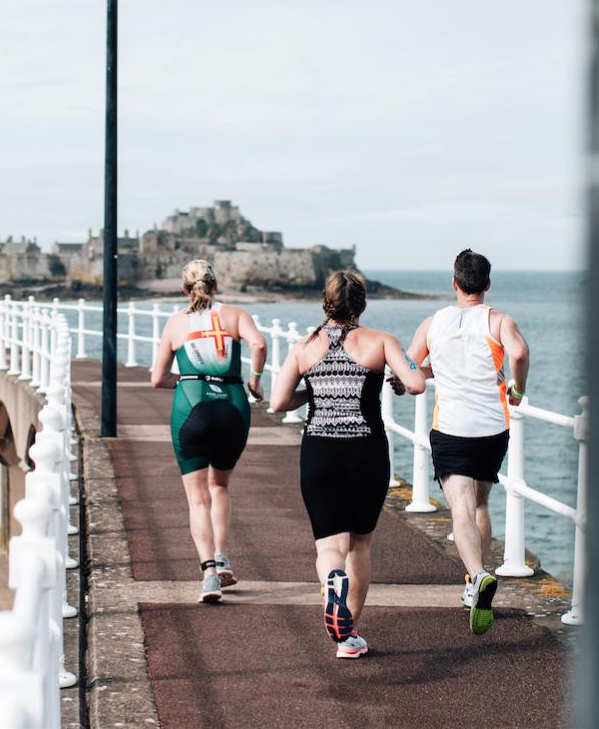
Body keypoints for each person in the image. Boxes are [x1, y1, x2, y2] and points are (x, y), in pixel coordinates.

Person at [271, 271, 425, 659]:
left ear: (326, 301)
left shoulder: (304, 347)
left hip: (319, 451)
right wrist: (402, 381)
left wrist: (314, 394)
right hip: (365, 452)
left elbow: (278, 402)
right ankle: (348, 636)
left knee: (328, 545)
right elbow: (417, 382)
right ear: (362, 303)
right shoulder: (380, 342)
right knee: (360, 542)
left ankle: (332, 583)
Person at [404, 249, 529, 635]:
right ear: (487, 284)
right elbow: (520, 352)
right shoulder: (499, 320)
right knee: (480, 502)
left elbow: (411, 366)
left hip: (452, 428)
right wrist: (517, 388)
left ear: (455, 283)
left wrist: (426, 371)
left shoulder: (433, 322)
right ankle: (475, 581)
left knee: (459, 503)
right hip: (492, 428)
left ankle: (476, 576)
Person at [149, 260, 267, 603]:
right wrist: (255, 381)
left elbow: (157, 379)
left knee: (197, 497)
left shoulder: (175, 323)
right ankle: (221, 553)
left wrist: (187, 381)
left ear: (185, 289)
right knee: (220, 486)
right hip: (232, 406)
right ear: (215, 286)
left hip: (192, 409)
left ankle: (210, 575)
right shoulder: (236, 315)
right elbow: (258, 345)